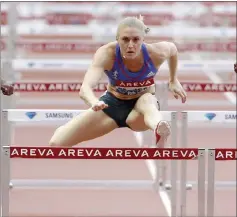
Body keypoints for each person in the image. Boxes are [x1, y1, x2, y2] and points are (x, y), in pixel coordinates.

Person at [49, 15, 187, 148]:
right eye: (125, 39)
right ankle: (157, 126)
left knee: (147, 101)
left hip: (139, 111)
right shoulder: (106, 54)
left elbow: (173, 50)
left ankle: (159, 128)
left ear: (143, 40)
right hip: (112, 105)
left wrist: (173, 80)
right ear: (117, 39)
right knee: (56, 143)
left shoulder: (156, 52)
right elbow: (85, 88)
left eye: (136, 40)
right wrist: (94, 102)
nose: (131, 45)